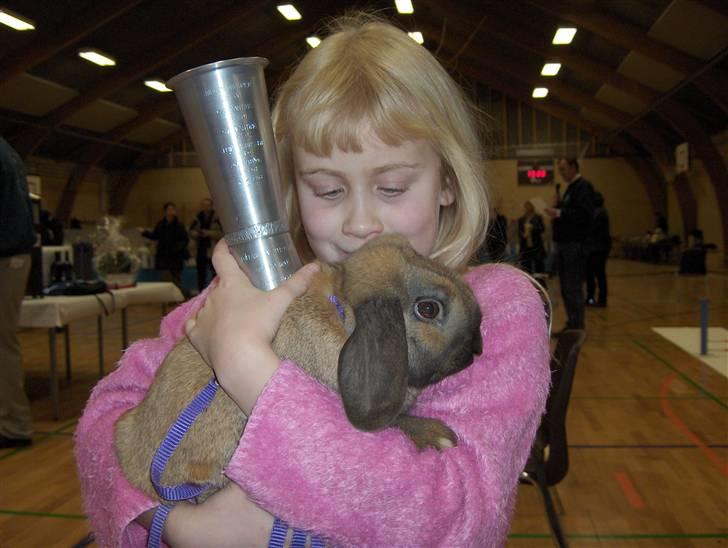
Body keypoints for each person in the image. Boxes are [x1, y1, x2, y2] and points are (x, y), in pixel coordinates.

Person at [74, 15, 551, 547]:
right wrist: (175, 524)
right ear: (293, 187)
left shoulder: (499, 308)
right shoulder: (260, 290)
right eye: (327, 191)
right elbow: (108, 415)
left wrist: (246, 366)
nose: (361, 223)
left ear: (447, 180)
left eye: (392, 186)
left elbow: (459, 522)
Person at [0, 136, 36, 449]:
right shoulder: (8, 151)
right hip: (13, 255)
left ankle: (13, 424)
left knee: (2, 342)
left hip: (6, 257)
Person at [545, 158, 595, 332]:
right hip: (564, 245)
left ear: (574, 167)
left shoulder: (583, 187)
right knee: (566, 287)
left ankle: (577, 325)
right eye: (560, 170)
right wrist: (557, 206)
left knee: (572, 287)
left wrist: (559, 212)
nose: (562, 173)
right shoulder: (570, 189)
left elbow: (584, 215)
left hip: (574, 245)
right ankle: (572, 323)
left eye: (564, 169)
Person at [140, 202, 189, 294]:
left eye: (173, 209)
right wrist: (144, 232)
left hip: (176, 256)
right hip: (164, 255)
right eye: (169, 209)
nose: (171, 211)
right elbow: (155, 236)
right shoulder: (161, 224)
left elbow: (185, 239)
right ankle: (172, 296)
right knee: (166, 277)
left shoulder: (179, 224)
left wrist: (177, 248)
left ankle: (181, 295)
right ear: (165, 211)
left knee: (176, 277)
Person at [189, 197, 222, 294]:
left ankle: (216, 293)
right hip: (201, 249)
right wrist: (197, 234)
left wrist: (209, 233)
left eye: (208, 205)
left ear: (211, 206)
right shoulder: (197, 217)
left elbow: (223, 233)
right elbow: (190, 231)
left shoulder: (217, 218)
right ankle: (201, 294)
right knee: (201, 274)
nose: (206, 207)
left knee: (214, 273)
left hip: (213, 249)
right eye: (204, 205)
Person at [585, 192, 611, 307]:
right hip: (597, 248)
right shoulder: (600, 212)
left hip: (597, 249)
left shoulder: (599, 213)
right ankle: (595, 298)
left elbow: (590, 228)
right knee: (596, 274)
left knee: (597, 274)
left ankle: (598, 298)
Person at [517, 200, 545, 274]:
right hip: (526, 247)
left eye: (529, 206)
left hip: (536, 246)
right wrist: (523, 235)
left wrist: (533, 228)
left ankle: (540, 283)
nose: (527, 208)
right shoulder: (521, 219)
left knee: (539, 267)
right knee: (526, 267)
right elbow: (519, 232)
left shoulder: (538, 218)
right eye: (526, 206)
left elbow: (542, 229)